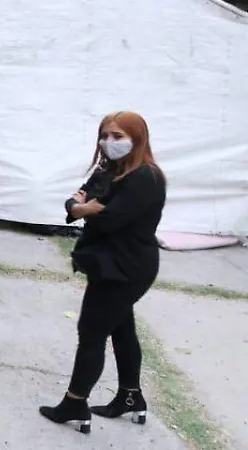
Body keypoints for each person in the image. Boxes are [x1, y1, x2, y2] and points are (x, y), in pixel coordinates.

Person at [39, 112, 166, 434]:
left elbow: (108, 219)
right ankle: (130, 396)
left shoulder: (145, 178)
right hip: (109, 261)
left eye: (118, 136)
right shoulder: (110, 168)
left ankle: (75, 402)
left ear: (137, 138)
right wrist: (82, 207)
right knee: (122, 328)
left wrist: (86, 207)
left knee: (92, 333)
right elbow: (77, 201)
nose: (109, 142)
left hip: (126, 267)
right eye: (105, 135)